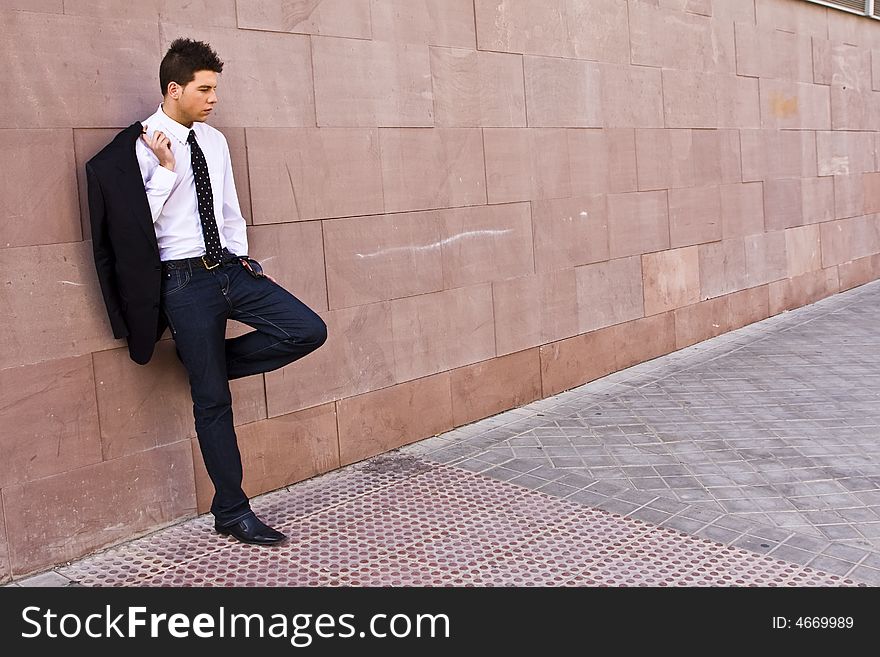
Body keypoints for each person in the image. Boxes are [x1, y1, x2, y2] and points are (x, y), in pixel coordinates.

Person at [86, 38, 327, 545]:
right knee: (212, 401)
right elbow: (132, 234)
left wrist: (241, 256)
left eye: (215, 88)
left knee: (307, 330)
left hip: (230, 270)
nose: (213, 98)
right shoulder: (136, 149)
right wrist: (167, 173)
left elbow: (228, 206)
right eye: (205, 89)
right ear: (174, 89)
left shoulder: (214, 141)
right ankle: (232, 511)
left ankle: (207, 362)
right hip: (183, 282)